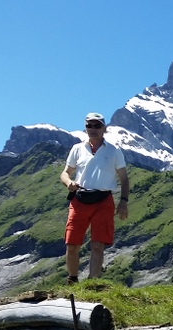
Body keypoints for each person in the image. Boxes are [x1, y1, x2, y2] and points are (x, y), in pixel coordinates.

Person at [60, 112, 129, 284]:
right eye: (89, 125)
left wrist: (123, 201)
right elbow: (65, 173)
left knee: (98, 244)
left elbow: (124, 178)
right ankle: (72, 280)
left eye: (97, 125)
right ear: (85, 128)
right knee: (72, 243)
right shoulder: (77, 149)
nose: (93, 129)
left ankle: (93, 283)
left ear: (105, 128)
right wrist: (68, 183)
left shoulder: (114, 151)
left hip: (103, 201)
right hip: (79, 199)